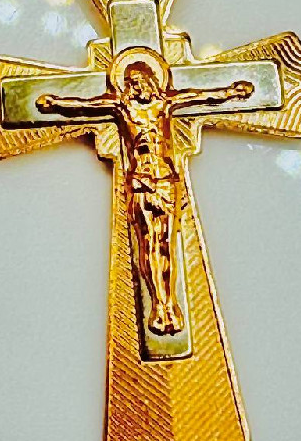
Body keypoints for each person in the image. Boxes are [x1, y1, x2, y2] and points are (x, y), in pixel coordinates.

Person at [37, 56, 253, 335]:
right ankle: (158, 305)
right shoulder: (122, 107)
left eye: (139, 81)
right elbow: (86, 105)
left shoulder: (165, 104)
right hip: (140, 181)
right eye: (130, 83)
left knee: (166, 244)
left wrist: (231, 93)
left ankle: (170, 303)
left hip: (166, 181)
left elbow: (201, 97)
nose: (135, 87)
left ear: (151, 81)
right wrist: (56, 103)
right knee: (148, 243)